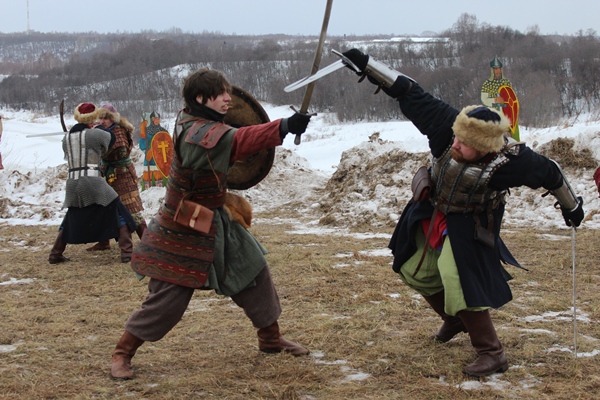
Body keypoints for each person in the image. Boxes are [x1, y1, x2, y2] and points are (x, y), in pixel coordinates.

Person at [341, 49, 585, 377]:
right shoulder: (446, 126)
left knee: (456, 275)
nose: (455, 144)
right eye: (456, 137)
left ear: (485, 147)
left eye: (465, 143)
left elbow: (552, 173)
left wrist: (572, 207)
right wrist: (368, 65)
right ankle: (454, 320)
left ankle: (492, 352)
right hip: (433, 210)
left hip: (473, 223)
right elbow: (409, 91)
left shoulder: (513, 162)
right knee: (413, 267)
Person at [110, 68, 312, 380]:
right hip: (183, 225)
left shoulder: (197, 118)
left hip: (216, 216)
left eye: (228, 93)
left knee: (253, 270)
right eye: (220, 94)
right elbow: (238, 140)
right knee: (168, 298)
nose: (228, 99)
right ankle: (123, 352)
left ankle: (270, 338)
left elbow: (231, 134)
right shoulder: (195, 132)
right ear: (201, 98)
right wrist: (283, 127)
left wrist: (276, 127)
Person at [48, 103, 137, 264]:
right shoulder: (95, 134)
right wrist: (99, 128)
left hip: (73, 182)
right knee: (119, 210)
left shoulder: (67, 138)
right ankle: (127, 252)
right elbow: (111, 139)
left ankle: (55, 253)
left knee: (71, 216)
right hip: (92, 180)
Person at [86, 104, 147, 253]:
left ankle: (149, 243)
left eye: (106, 118)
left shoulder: (118, 131)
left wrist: (97, 136)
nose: (103, 121)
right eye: (101, 118)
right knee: (103, 207)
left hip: (123, 175)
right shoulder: (106, 131)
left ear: (113, 118)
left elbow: (114, 150)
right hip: (108, 174)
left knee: (131, 209)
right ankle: (103, 241)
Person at [481, 56, 520, 140]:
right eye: (496, 69)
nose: (498, 71)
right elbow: (484, 99)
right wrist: (495, 100)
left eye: (499, 69)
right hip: (495, 114)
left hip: (508, 113)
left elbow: (511, 97)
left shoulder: (506, 82)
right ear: (492, 70)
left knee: (513, 135)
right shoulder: (487, 84)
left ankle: (516, 146)